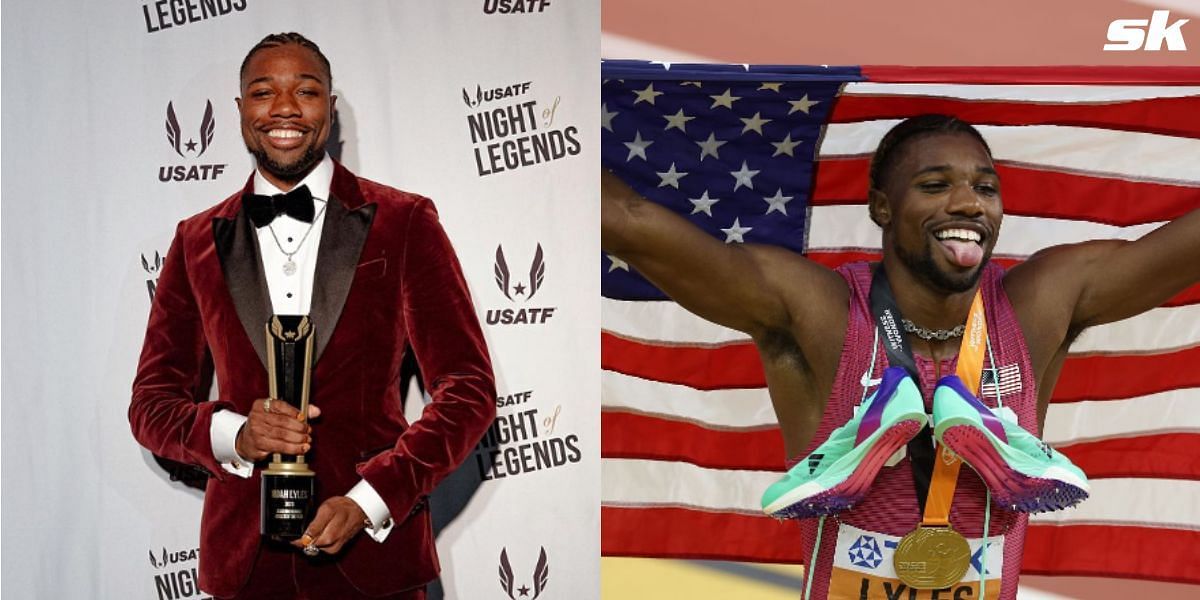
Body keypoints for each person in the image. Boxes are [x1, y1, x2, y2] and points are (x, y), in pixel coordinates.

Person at [601, 114, 1199, 599]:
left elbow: (1179, 252)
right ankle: (881, 429)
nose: (969, 203)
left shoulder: (1038, 306)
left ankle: (989, 434)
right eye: (934, 185)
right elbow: (630, 223)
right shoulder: (822, 313)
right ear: (882, 208)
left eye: (985, 187)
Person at [130, 33, 495, 600]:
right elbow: (151, 405)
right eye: (262, 92)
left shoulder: (405, 222)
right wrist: (236, 435)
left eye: (306, 91)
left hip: (375, 563)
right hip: (245, 567)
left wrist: (370, 500)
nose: (284, 108)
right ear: (240, 110)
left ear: (329, 108)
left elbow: (468, 391)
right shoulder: (195, 240)